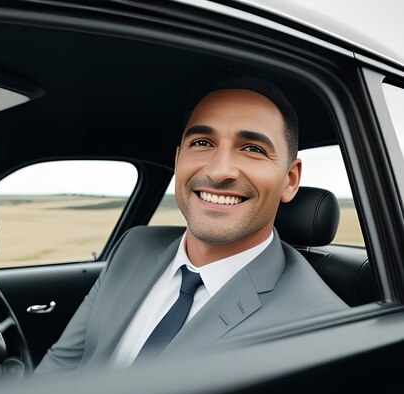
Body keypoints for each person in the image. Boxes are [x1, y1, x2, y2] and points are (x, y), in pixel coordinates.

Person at [35, 75, 348, 373]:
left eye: (253, 149)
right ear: (178, 159)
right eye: (202, 142)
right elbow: (61, 366)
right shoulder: (134, 246)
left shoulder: (318, 326)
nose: (219, 170)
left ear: (289, 180)